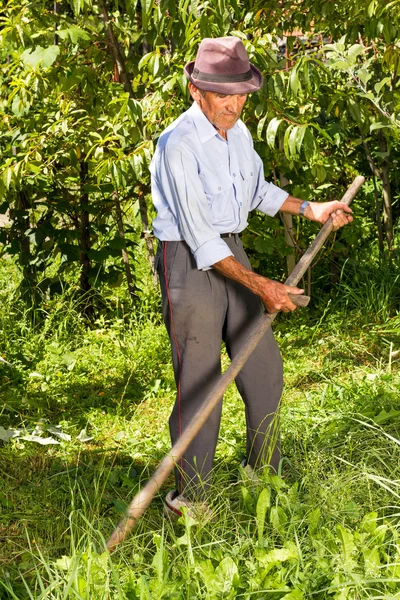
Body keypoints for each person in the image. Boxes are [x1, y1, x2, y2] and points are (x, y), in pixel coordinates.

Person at [150, 37, 352, 517]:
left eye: (242, 94)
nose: (235, 105)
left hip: (231, 249)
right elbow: (201, 240)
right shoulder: (177, 144)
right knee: (201, 382)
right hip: (187, 259)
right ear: (196, 90)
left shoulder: (236, 132)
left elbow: (256, 190)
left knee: (263, 367)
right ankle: (192, 499)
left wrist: (309, 207)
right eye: (225, 94)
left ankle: (264, 476)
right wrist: (263, 286)